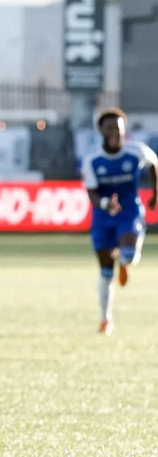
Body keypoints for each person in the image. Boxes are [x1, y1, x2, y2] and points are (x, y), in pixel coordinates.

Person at [81, 108, 157, 335]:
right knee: (105, 270)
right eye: (110, 128)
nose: (115, 133)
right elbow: (91, 193)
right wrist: (105, 203)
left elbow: (154, 164)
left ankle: (124, 263)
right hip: (103, 216)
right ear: (102, 131)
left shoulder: (136, 152)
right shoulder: (93, 161)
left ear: (124, 131)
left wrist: (155, 192)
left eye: (119, 129)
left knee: (129, 255)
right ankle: (105, 320)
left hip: (129, 211)